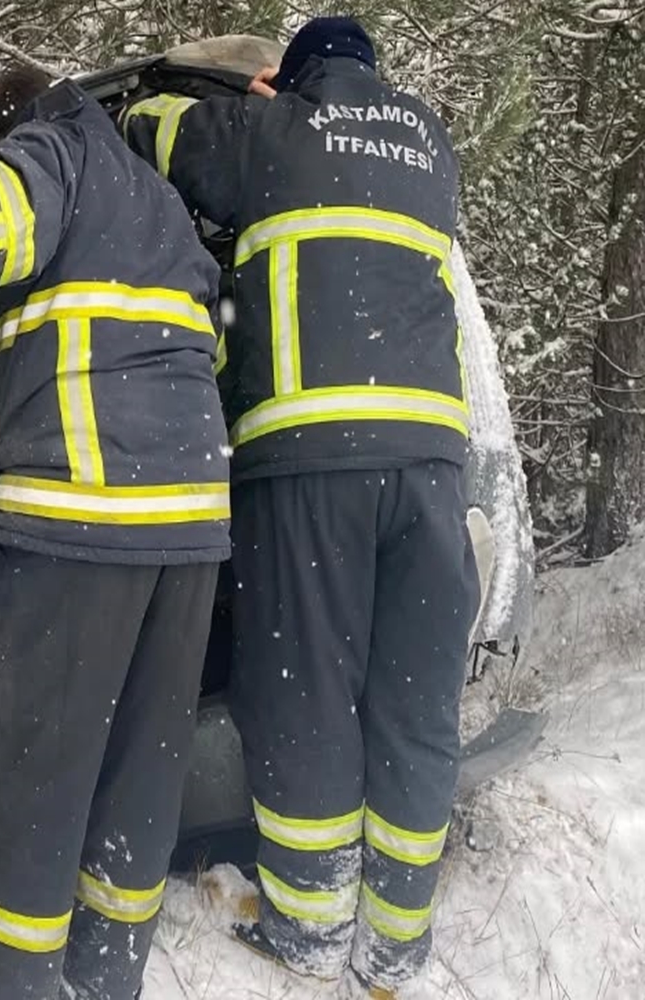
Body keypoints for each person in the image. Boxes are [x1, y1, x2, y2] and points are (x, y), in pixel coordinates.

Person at [123, 17, 480, 999]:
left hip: (309, 458)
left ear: (294, 75)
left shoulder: (271, 134)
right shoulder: (426, 142)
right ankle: (396, 949)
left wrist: (241, 104)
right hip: (431, 466)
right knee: (413, 702)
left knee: (306, 693)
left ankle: (310, 929)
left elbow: (151, 128)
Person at [0, 65, 231, 1000]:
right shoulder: (157, 200)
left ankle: (2, 984)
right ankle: (104, 977)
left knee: (25, 792)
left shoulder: (51, 148)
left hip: (83, 520)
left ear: (3, 131)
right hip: (187, 534)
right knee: (136, 781)